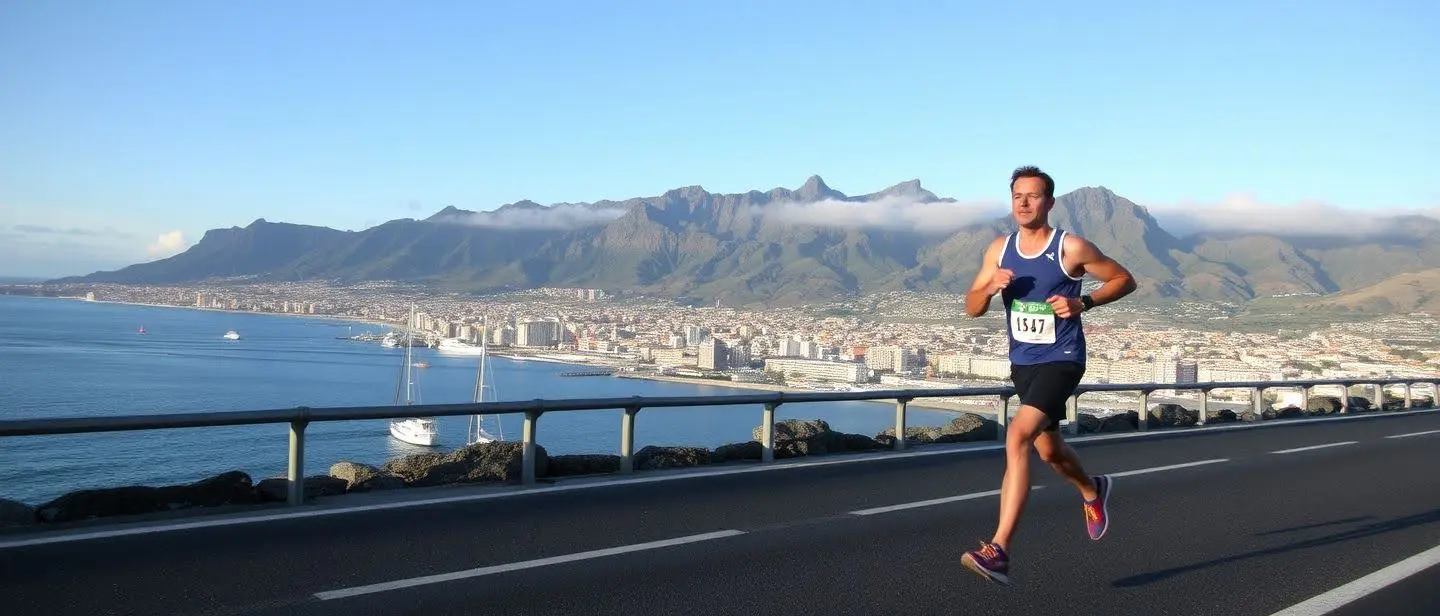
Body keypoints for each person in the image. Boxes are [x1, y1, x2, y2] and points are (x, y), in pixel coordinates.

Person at [959, 165, 1137, 585]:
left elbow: (1124, 279)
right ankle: (1093, 489)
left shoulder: (1070, 248)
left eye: (1033, 196)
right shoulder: (999, 251)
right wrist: (987, 289)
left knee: (1017, 436)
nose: (1023, 203)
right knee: (1050, 452)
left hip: (1064, 359)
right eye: (1017, 195)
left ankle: (998, 550)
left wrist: (1085, 303)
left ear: (1049, 203)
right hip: (1024, 364)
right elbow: (971, 306)